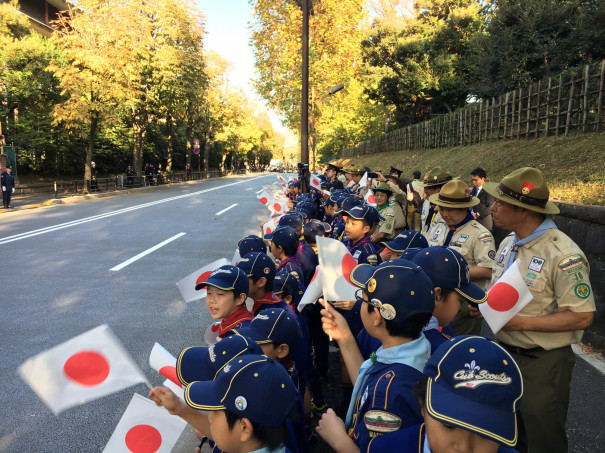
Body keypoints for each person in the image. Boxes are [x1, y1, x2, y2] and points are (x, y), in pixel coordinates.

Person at [483, 167, 595, 453]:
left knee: (541, 438)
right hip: (506, 353)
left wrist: (519, 324)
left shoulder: (562, 254)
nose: (492, 207)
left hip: (543, 363)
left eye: (500, 203)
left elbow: (582, 316)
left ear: (523, 210)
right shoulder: (509, 243)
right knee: (509, 434)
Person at [316, 260, 435, 452]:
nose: (360, 304)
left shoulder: (388, 393)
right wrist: (345, 337)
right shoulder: (417, 345)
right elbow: (368, 388)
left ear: (377, 316)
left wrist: (338, 439)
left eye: (363, 300)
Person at [367, 336, 523, 453]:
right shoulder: (384, 449)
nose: (464, 448)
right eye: (449, 426)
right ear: (422, 405)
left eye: (484, 433)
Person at [151, 355, 298, 453]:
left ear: (245, 428)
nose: (209, 418)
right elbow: (222, 433)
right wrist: (179, 409)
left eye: (215, 412)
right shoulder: (272, 444)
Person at [425, 179, 496, 335]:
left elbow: (487, 269)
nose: (444, 214)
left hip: (462, 304)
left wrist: (449, 273)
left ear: (465, 207)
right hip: (433, 299)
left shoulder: (480, 234)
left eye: (450, 210)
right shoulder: (438, 227)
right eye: (441, 208)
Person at [196, 264, 253, 341]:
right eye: (209, 293)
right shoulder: (229, 322)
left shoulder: (241, 335)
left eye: (220, 294)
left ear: (240, 298)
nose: (212, 300)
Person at [419, 167, 453, 235]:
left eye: (428, 188)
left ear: (438, 190)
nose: (425, 191)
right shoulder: (427, 203)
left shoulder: (451, 210)